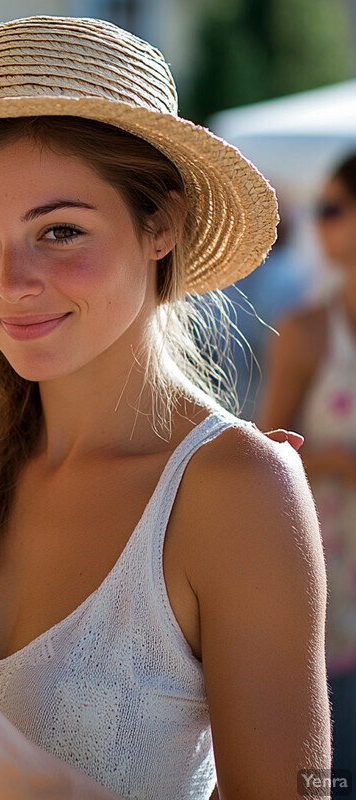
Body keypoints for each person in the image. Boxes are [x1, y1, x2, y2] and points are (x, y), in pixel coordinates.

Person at [0, 16, 330, 800]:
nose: (10, 282)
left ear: (160, 223)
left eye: (59, 230)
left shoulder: (237, 490)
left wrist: (41, 787)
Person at [260, 152, 356, 773]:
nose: (318, 224)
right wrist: (336, 461)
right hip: (333, 586)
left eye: (331, 208)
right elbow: (271, 451)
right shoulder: (310, 331)